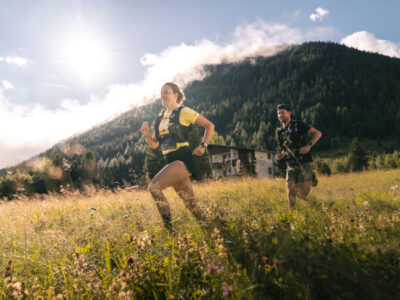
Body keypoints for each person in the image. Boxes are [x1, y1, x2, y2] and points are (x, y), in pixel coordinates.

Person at [141, 82, 215, 231]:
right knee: (191, 205)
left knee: (154, 188)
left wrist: (203, 145)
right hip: (169, 161)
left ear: (176, 95)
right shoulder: (159, 118)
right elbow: (155, 145)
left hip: (182, 160)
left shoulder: (184, 111)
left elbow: (209, 125)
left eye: (166, 92)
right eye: (161, 92)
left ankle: (170, 231)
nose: (163, 95)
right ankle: (213, 231)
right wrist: (146, 135)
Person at [276, 104, 322, 208]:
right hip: (290, 165)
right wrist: (282, 155)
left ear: (289, 113)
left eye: (282, 112)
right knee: (290, 192)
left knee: (301, 194)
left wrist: (308, 146)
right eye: (278, 113)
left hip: (304, 162)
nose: (280, 115)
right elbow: (285, 147)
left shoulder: (297, 125)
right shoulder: (280, 132)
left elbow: (318, 133)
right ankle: (292, 216)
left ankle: (315, 205)